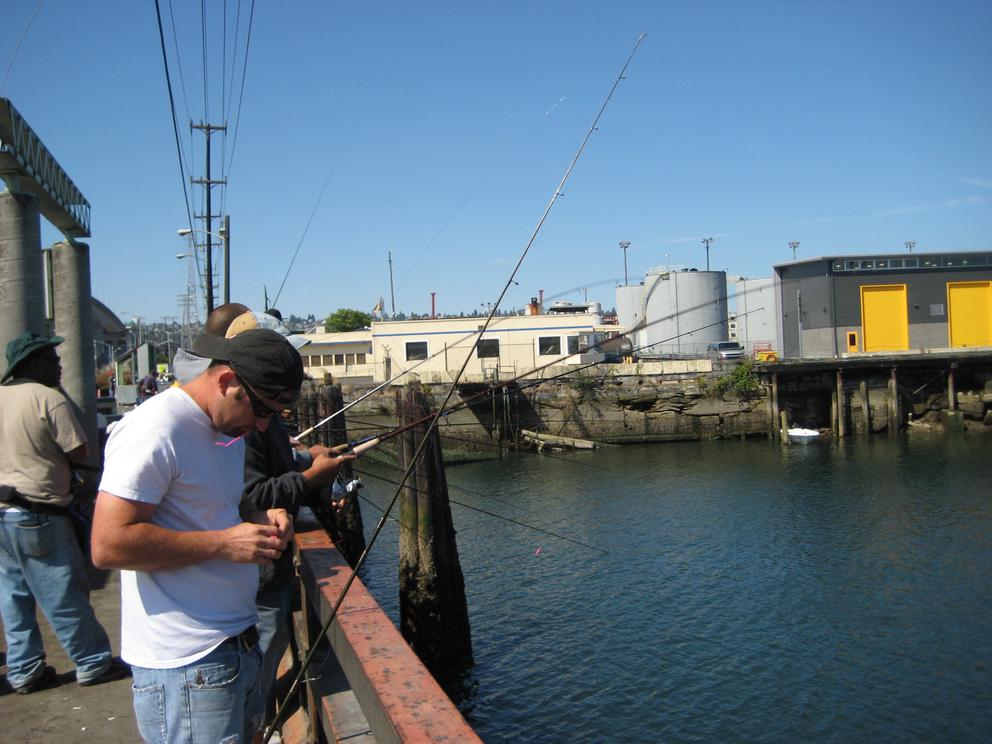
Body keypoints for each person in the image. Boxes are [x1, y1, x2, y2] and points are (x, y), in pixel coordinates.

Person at [91, 328, 305, 744]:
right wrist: (226, 543)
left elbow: (215, 507)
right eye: (262, 409)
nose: (263, 424)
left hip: (234, 649)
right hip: (187, 667)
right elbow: (108, 543)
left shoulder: (227, 431)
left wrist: (262, 513)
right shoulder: (154, 429)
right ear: (226, 381)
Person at [0, 332, 129, 693]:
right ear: (33, 364)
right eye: (52, 361)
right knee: (62, 590)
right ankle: (92, 661)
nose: (59, 367)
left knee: (13, 596)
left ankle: (24, 669)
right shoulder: (47, 399)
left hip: (3, 512)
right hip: (38, 512)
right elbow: (78, 452)